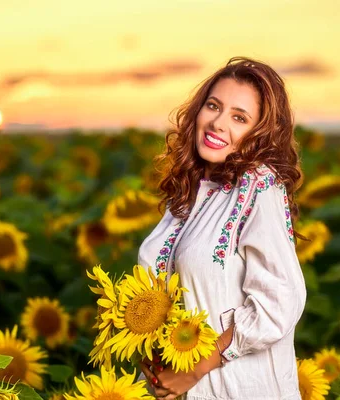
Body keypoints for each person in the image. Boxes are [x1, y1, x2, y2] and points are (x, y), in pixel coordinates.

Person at [137, 56, 307, 400]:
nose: (217, 123)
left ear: (260, 133)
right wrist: (154, 361)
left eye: (239, 117)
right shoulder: (188, 193)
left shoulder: (261, 187)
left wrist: (194, 369)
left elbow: (280, 303)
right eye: (213, 106)